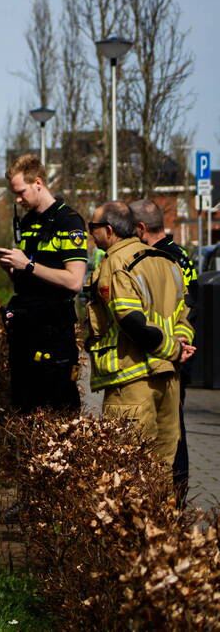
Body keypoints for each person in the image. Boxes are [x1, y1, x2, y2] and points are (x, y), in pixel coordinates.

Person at [85, 201, 194, 466]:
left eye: (93, 227)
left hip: (131, 382)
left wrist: (174, 349)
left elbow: (132, 321)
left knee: (129, 472)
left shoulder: (115, 263)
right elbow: (186, 314)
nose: (90, 234)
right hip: (169, 381)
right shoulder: (167, 261)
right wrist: (180, 344)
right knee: (162, 470)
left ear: (109, 230)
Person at [0, 154, 87, 415]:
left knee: (59, 407)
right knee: (23, 406)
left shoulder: (68, 222)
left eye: (21, 192)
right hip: (26, 328)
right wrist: (12, 270)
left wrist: (28, 266)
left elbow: (74, 281)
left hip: (55, 330)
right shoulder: (27, 222)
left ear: (38, 183)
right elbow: (28, 279)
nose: (18, 200)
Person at [129, 199, 198, 502]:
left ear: (141, 228)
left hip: (160, 358)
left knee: (168, 436)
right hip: (181, 352)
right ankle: (176, 499)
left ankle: (170, 500)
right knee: (175, 434)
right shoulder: (182, 256)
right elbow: (190, 311)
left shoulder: (156, 258)